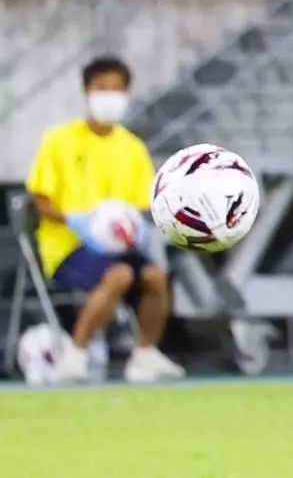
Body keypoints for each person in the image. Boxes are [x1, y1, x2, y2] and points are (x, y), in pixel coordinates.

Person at [26, 56, 186, 384]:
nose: (109, 97)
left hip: (118, 247)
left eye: (116, 90)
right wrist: (76, 220)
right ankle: (75, 356)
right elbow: (41, 200)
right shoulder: (59, 140)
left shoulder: (132, 147)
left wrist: (135, 228)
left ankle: (145, 355)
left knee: (155, 276)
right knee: (120, 275)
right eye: (101, 89)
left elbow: (144, 204)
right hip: (68, 245)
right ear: (86, 92)